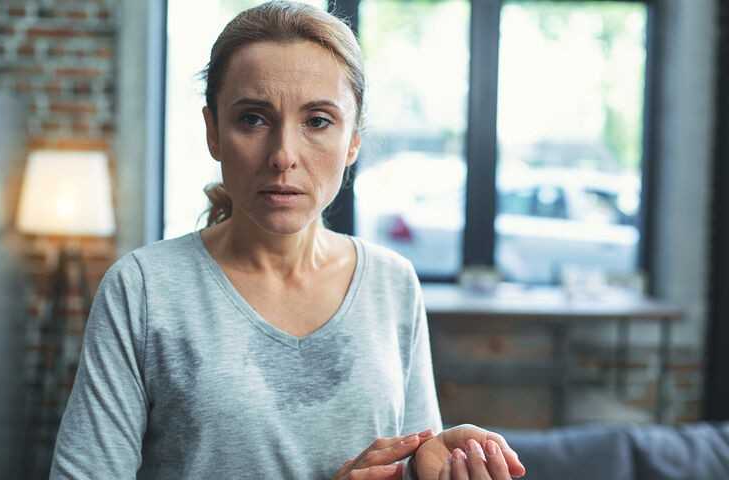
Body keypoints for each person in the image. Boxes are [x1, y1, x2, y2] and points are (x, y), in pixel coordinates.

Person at [49, 2, 526, 479]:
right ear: (213, 131)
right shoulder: (143, 290)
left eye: (317, 121)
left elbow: (409, 458)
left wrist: (433, 468)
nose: (282, 155)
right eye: (253, 119)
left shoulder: (392, 283)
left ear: (353, 140)